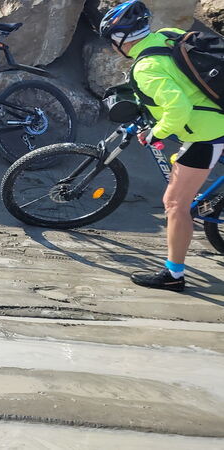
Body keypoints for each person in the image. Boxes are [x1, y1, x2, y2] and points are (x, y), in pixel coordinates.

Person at [100, 0, 224, 291]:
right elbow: (179, 75)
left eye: (109, 41)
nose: (109, 47)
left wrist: (158, 132)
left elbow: (178, 109)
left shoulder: (145, 68)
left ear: (120, 40)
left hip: (205, 135)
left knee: (174, 204)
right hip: (216, 116)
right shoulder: (166, 35)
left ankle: (174, 275)